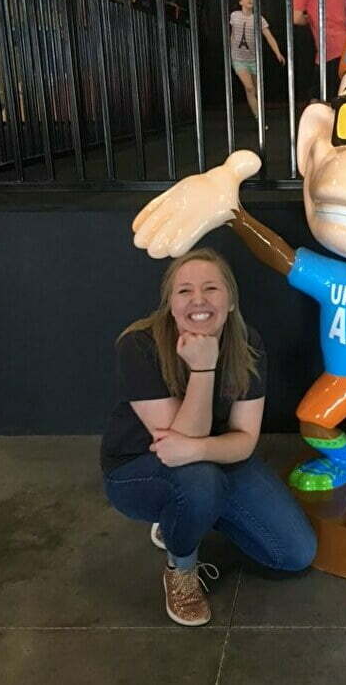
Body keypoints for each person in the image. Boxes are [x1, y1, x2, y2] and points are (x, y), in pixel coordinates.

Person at [101, 248, 316, 626]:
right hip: (140, 467)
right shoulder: (138, 345)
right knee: (198, 481)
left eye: (211, 288)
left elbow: (245, 440)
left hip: (210, 456)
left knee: (294, 553)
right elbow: (174, 448)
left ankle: (188, 515)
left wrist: (202, 449)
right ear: (170, 303)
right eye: (184, 291)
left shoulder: (247, 343)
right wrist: (202, 368)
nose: (198, 300)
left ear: (231, 300)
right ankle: (181, 569)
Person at [230, 0, 285, 124]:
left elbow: (269, 37)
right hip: (238, 59)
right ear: (240, 1)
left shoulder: (259, 19)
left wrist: (278, 53)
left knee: (256, 90)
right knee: (249, 88)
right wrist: (230, 52)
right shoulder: (234, 16)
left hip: (254, 60)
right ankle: (259, 119)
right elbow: (233, 35)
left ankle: (259, 112)